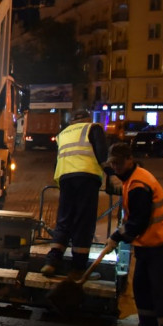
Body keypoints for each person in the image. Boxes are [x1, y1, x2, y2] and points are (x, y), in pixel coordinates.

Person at [105, 143, 163, 326]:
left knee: (162, 290)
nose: (116, 167)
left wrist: (116, 238)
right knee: (142, 287)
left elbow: (138, 221)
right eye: (113, 163)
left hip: (162, 242)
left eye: (119, 163)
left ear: (130, 159)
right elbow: (132, 220)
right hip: (148, 244)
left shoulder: (139, 183)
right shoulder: (130, 180)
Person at [41, 109, 108, 277]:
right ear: (87, 118)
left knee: (64, 219)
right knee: (83, 221)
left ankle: (52, 262)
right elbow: (102, 154)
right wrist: (112, 175)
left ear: (72, 121)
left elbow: (57, 160)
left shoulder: (63, 133)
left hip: (65, 178)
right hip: (87, 176)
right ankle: (78, 268)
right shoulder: (93, 128)